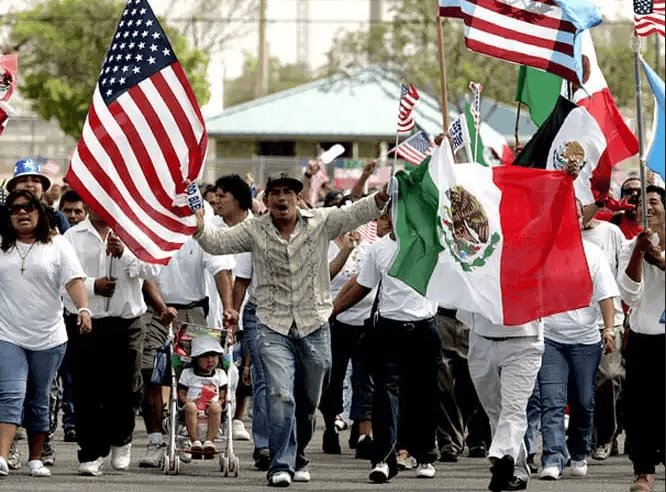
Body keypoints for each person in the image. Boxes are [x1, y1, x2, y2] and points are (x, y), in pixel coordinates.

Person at [193, 172, 388, 487]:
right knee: (281, 395)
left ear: (298, 198)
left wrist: (381, 197)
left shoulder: (321, 221)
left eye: (288, 192)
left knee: (309, 400)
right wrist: (200, 224)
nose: (282, 198)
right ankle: (280, 464)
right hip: (272, 325)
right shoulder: (254, 229)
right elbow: (219, 243)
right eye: (275, 193)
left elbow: (355, 212)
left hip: (314, 325)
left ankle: (298, 457)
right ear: (267, 199)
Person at [332, 212, 441, 484]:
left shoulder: (431, 242)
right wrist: (330, 312)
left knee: (422, 394)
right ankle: (383, 459)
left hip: (424, 328)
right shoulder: (378, 249)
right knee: (384, 393)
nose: (394, 218)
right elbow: (361, 286)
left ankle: (424, 454)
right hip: (388, 329)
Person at [64, 205, 161, 476]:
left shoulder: (135, 234)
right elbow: (65, 277)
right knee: (87, 388)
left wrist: (125, 253)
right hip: (86, 321)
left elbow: (154, 270)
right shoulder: (72, 237)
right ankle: (91, 452)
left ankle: (121, 438)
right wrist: (94, 285)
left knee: (125, 387)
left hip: (126, 321)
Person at [0, 190, 91, 477]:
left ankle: (36, 459)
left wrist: (83, 309)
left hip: (48, 337)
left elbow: (74, 280)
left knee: (39, 398)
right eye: (15, 209)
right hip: (7, 333)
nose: (22, 213)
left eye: (28, 207)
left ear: (40, 212)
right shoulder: (2, 245)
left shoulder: (58, 244)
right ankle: (1, 456)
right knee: (11, 394)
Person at [537, 200, 620, 481]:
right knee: (552, 400)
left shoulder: (593, 254)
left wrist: (608, 329)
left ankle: (579, 451)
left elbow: (606, 294)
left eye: (573, 215)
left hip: (585, 340)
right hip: (550, 337)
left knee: (583, 400)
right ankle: (552, 457)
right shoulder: (542, 251)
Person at [460, 310, 544, 492]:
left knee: (514, 407)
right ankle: (517, 466)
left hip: (524, 341)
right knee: (495, 410)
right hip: (481, 339)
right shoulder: (477, 279)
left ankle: (501, 456)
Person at [617, 184, 665, 492]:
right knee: (639, 408)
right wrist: (639, 251)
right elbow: (629, 293)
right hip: (643, 337)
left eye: (655, 202)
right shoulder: (630, 245)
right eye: (642, 205)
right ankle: (643, 472)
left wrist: (658, 258)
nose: (648, 208)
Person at [178, 335, 228, 458]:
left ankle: (209, 442)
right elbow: (181, 394)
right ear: (196, 358)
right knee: (190, 407)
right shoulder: (187, 374)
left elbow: (223, 397)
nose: (210, 360)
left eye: (214, 356)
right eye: (205, 357)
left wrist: (219, 403)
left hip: (211, 410)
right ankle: (195, 441)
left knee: (216, 408)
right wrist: (189, 401)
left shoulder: (220, 374)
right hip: (192, 409)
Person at [6, 159, 69, 234]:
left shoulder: (56, 217)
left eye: (35, 180)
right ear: (13, 189)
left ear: (43, 190)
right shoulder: (3, 215)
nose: (30, 184)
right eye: (23, 180)